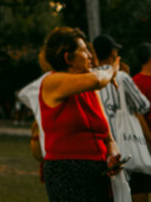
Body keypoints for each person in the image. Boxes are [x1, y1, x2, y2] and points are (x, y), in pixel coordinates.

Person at [39, 26, 124, 202]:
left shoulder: (90, 90)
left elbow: (108, 139)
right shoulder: (52, 81)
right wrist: (112, 70)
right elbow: (98, 79)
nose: (91, 56)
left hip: (98, 172)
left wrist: (112, 156)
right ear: (68, 57)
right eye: (84, 51)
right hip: (68, 172)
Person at [94, 35, 151, 202]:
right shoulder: (122, 77)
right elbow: (143, 106)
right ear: (113, 53)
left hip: (101, 150)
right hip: (126, 149)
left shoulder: (87, 78)